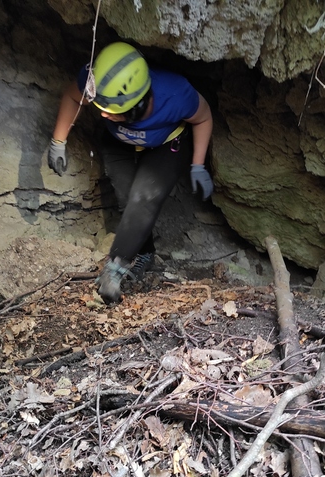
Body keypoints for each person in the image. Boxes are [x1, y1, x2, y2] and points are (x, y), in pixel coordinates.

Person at [48, 41, 213, 304]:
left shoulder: (175, 94)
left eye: (111, 110)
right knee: (128, 199)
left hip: (167, 142)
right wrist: (58, 141)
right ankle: (145, 253)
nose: (102, 114)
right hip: (119, 142)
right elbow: (72, 96)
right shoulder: (97, 80)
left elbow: (203, 117)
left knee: (144, 197)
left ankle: (115, 268)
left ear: (137, 107)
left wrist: (197, 164)